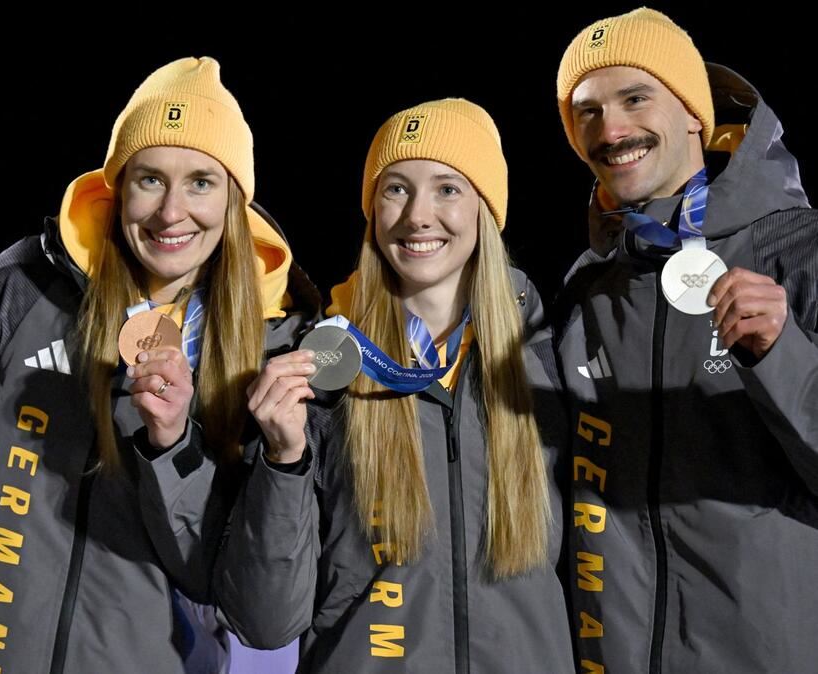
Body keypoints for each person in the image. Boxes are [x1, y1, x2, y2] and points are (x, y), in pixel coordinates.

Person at [0, 56, 316, 673]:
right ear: (115, 191)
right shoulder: (25, 291)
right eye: (150, 179)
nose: (171, 213)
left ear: (233, 201)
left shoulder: (273, 350)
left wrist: (175, 446)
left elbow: (266, 618)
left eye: (201, 181)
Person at [216, 98, 573, 672]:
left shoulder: (548, 362)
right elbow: (264, 623)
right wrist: (283, 461)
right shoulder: (319, 370)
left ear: (486, 209)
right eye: (396, 189)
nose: (418, 216)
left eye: (448, 189)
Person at [554, 8, 818, 672]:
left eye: (635, 98)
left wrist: (781, 355)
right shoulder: (588, 291)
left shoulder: (800, 253)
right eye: (587, 111)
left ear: (694, 112)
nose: (611, 130)